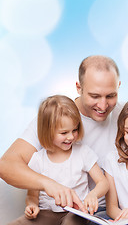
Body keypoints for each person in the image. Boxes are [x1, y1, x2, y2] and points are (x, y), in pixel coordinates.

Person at [0, 55, 122, 213]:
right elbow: (6, 165)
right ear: (79, 88)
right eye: (95, 96)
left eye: (111, 96)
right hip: (56, 212)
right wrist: (48, 184)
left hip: (98, 213)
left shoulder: (126, 115)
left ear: (118, 86)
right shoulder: (55, 117)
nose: (103, 105)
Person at [9, 95, 109, 225]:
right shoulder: (38, 159)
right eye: (64, 133)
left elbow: (103, 182)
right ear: (47, 132)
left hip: (77, 213)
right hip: (46, 213)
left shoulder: (83, 152)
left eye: (75, 130)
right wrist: (31, 205)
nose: (71, 137)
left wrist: (93, 194)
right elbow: (32, 195)